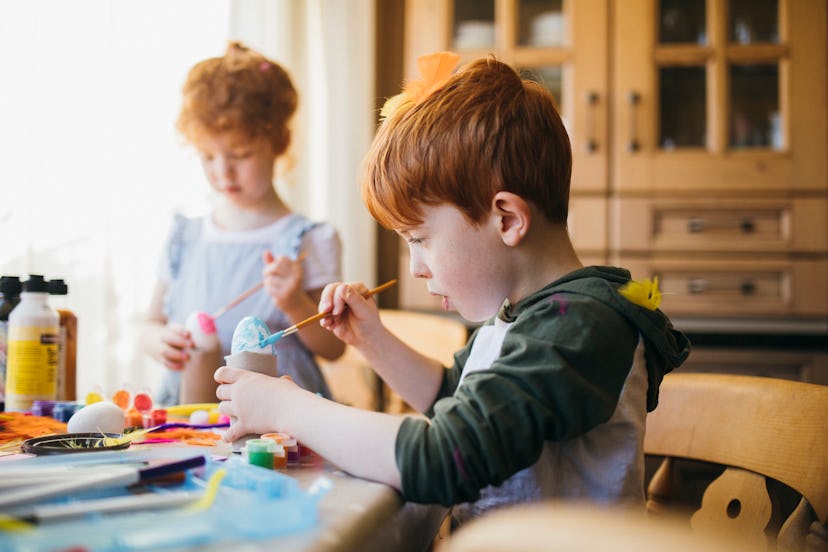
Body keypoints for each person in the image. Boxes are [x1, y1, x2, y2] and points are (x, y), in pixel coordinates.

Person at [214, 52, 690, 525]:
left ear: (506, 219)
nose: (416, 267)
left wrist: (288, 408)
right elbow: (451, 398)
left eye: (419, 239)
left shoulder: (580, 325)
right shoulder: (524, 315)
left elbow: (445, 456)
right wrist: (370, 339)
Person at [142, 42, 345, 406]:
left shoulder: (307, 239)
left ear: (279, 142)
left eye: (240, 155)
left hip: (279, 419)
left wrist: (295, 302)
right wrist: (159, 342)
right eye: (208, 156)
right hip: (190, 414)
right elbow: (149, 325)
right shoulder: (184, 237)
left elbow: (333, 348)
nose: (223, 172)